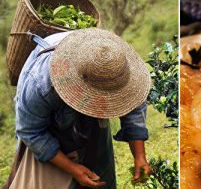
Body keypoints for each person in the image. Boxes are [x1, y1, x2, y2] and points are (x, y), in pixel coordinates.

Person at [4, 28, 152, 189]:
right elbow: (30, 131)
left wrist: (139, 156)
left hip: (91, 114)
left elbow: (134, 105)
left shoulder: (119, 67)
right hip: (50, 123)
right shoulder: (41, 83)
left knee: (101, 174)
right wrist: (72, 168)